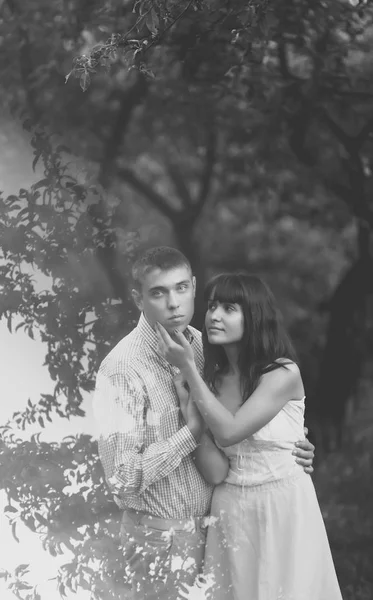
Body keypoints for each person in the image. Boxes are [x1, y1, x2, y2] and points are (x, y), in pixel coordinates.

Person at [93, 247, 315, 600]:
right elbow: (122, 478)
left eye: (181, 288)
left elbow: (237, 432)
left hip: (216, 530)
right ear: (138, 298)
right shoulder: (122, 369)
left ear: (194, 287)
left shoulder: (203, 348)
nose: (173, 303)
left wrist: (291, 444)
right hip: (159, 537)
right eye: (158, 292)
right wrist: (190, 433)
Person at [156, 271, 343, 600]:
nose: (214, 315)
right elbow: (217, 471)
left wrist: (187, 368)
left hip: (283, 504)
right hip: (231, 510)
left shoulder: (282, 373)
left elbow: (229, 432)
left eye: (229, 308)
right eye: (212, 306)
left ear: (253, 316)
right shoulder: (210, 384)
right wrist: (192, 419)